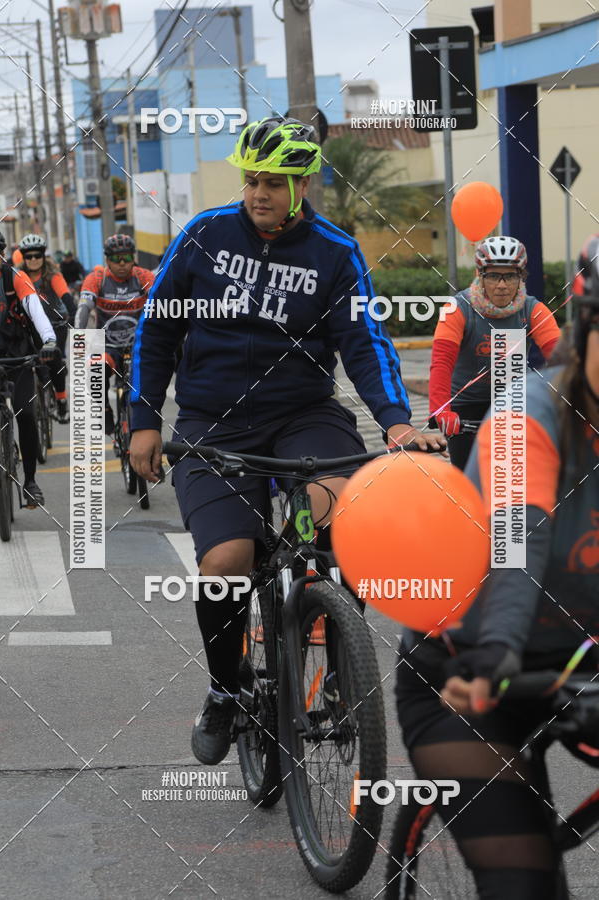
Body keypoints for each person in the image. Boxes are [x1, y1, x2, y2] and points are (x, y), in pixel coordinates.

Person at [128, 114, 446, 766]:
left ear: (303, 183)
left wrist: (397, 421)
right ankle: (225, 689)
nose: (259, 192)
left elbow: (366, 344)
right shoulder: (204, 236)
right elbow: (155, 331)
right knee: (225, 564)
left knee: (339, 517)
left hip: (304, 413)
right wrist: (143, 419)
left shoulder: (336, 251)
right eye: (251, 180)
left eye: (274, 181)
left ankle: (333, 665)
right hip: (213, 420)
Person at [395, 290, 599, 900]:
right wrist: (500, 652)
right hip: (471, 670)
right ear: (584, 330)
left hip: (582, 664)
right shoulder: (524, 415)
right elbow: (517, 545)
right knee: (524, 886)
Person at [429, 236, 561, 469]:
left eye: (510, 276)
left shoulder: (533, 309)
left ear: (521, 277)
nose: (502, 284)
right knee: (467, 482)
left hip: (512, 402)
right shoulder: (457, 308)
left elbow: (563, 361)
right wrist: (441, 409)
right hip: (465, 406)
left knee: (515, 478)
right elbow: (441, 363)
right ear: (480, 276)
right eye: (493, 276)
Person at [0, 231, 58, 506]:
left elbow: (37, 312)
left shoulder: (15, 278)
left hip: (17, 355)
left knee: (25, 413)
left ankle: (30, 481)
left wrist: (49, 340)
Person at [74, 234, 154, 434]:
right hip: (106, 345)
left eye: (126, 258)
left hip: (138, 343)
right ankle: (105, 410)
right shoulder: (97, 279)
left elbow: (163, 304)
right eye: (116, 259)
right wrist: (78, 335)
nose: (122, 263)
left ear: (133, 258)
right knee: (95, 372)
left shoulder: (144, 277)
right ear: (107, 260)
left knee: (153, 381)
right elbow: (84, 308)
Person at [18, 234, 75, 424]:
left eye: (37, 255)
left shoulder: (53, 276)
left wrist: (75, 315)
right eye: (29, 256)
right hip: (30, 328)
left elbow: (66, 296)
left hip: (56, 326)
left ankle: (61, 401)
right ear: (23, 258)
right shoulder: (17, 277)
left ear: (43, 256)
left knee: (54, 361)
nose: (33, 260)